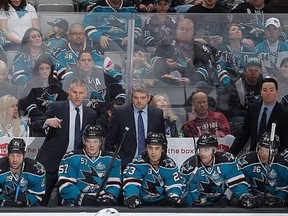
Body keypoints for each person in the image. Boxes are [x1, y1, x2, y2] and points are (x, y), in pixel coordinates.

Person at [32, 79, 97, 206]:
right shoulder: (56, 107)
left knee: (70, 201)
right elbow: (36, 126)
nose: (77, 96)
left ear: (85, 94)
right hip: (52, 162)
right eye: (74, 92)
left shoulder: (91, 114)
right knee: (41, 200)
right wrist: (46, 122)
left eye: (81, 93)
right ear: (69, 92)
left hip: (76, 164)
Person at [180, 133, 254, 208]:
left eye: (206, 150)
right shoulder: (189, 167)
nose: (202, 153)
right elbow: (187, 192)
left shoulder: (226, 161)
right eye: (200, 149)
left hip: (219, 200)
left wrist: (244, 195)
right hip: (198, 203)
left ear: (214, 150)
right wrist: (193, 202)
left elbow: (237, 182)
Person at [105, 83, 165, 170]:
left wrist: (160, 161)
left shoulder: (157, 114)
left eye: (142, 98)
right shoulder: (120, 113)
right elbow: (110, 140)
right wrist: (114, 161)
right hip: (125, 163)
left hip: (151, 164)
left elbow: (162, 141)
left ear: (149, 98)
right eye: (136, 97)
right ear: (132, 98)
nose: (139, 101)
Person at [58, 124, 121, 206]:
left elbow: (114, 184)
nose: (92, 145)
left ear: (101, 141)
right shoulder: (71, 158)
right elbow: (65, 184)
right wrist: (80, 198)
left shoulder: (112, 159)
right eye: (89, 141)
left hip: (101, 200)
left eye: (95, 141)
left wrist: (108, 197)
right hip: (76, 200)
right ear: (84, 141)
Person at [229, 77, 288, 157]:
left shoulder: (284, 112)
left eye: (271, 90)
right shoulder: (253, 109)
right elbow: (244, 134)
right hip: (254, 155)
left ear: (277, 92)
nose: (268, 93)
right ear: (261, 92)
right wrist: (231, 154)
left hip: (274, 158)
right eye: (264, 90)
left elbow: (285, 140)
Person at [123, 132, 184, 208]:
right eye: (150, 148)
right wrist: (132, 195)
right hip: (140, 203)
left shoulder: (169, 165)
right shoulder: (137, 163)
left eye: (157, 148)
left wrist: (174, 196)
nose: (153, 152)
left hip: (162, 204)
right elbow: (131, 183)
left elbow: (174, 186)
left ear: (162, 149)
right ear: (146, 148)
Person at [151, 18, 216, 87]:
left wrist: (191, 80)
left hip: (192, 84)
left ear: (193, 32)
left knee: (202, 85)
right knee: (160, 85)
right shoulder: (166, 43)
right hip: (169, 82)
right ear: (177, 30)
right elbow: (153, 58)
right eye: (181, 29)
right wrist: (165, 62)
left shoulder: (199, 48)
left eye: (188, 30)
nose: (184, 32)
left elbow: (204, 69)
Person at [18, 56, 68, 136]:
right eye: (41, 68)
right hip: (37, 118)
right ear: (37, 70)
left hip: (56, 117)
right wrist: (44, 118)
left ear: (51, 70)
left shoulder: (57, 84)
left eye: (47, 68)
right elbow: (27, 103)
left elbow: (63, 103)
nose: (44, 71)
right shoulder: (31, 85)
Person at [62, 49, 120, 117]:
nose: (86, 62)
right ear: (78, 63)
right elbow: (64, 101)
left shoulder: (102, 75)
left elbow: (118, 86)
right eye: (83, 60)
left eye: (89, 60)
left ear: (93, 63)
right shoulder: (70, 79)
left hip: (103, 115)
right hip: (80, 115)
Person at [238, 132, 288, 207]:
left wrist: (278, 199)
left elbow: (283, 188)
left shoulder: (283, 164)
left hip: (273, 205)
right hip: (251, 203)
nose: (263, 154)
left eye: (267, 151)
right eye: (261, 149)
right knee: (236, 201)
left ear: (274, 151)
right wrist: (249, 198)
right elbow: (242, 186)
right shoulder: (246, 162)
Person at [216, 57, 263, 128]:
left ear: (260, 71)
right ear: (244, 71)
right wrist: (245, 113)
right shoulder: (234, 85)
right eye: (250, 70)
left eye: (256, 70)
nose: (253, 73)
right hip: (239, 118)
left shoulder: (266, 85)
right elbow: (225, 109)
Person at [0, 138, 46, 207]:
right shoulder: (1, 167)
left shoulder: (36, 170)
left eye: (18, 156)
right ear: (8, 155)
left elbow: (38, 193)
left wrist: (27, 200)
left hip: (27, 208)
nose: (15, 160)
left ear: (24, 155)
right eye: (12, 155)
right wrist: (3, 202)